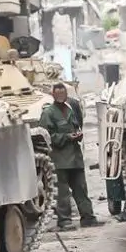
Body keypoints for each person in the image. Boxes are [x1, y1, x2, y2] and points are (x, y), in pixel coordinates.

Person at [39, 83, 103, 231]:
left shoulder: (70, 109)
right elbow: (46, 136)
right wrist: (66, 137)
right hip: (59, 159)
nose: (61, 96)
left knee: (81, 189)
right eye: (58, 93)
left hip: (75, 156)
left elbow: (77, 125)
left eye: (63, 93)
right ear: (53, 95)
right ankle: (64, 220)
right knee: (62, 192)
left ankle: (88, 217)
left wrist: (78, 135)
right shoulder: (48, 113)